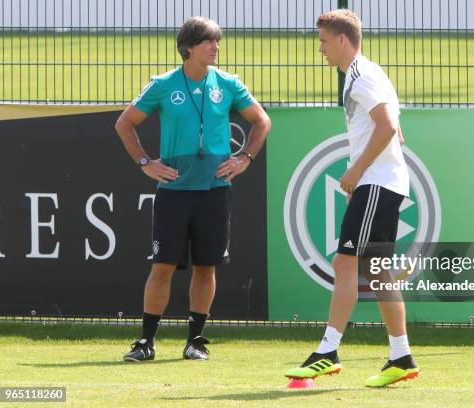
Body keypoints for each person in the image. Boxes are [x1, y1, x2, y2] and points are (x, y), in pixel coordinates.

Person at [115, 16, 271, 362]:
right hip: (174, 192)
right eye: (208, 42)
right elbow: (124, 123)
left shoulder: (228, 83)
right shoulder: (163, 85)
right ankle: (145, 342)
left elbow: (262, 121)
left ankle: (195, 341)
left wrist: (244, 157)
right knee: (163, 266)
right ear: (189, 48)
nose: (216, 47)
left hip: (215, 190)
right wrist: (146, 163)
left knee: (206, 268)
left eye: (216, 41)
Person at [284, 9, 419, 387]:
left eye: (324, 41)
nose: (321, 50)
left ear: (342, 40)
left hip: (377, 182)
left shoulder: (359, 75)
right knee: (377, 272)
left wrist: (358, 173)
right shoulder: (370, 73)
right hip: (383, 183)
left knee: (345, 263)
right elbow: (398, 133)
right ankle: (401, 357)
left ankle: (327, 351)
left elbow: (389, 127)